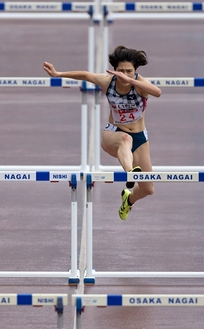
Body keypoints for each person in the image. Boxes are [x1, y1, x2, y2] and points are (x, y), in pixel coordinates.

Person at [43, 45, 162, 220]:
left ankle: (128, 199)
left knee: (148, 189)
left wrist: (131, 80)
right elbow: (86, 75)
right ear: (114, 70)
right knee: (125, 138)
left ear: (135, 71)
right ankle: (130, 172)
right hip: (113, 134)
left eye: (129, 71)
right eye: (120, 70)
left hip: (140, 137)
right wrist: (58, 74)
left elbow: (158, 92)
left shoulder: (140, 85)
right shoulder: (109, 82)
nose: (124, 74)